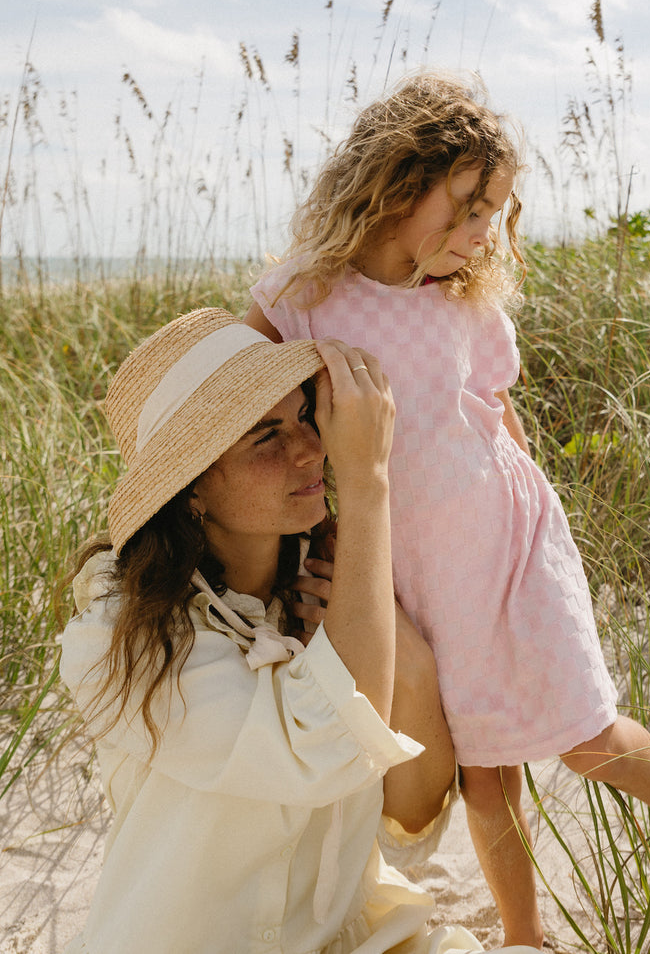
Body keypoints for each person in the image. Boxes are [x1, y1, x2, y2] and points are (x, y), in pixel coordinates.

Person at [244, 71, 650, 947]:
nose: (487, 234)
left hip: (505, 545)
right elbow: (243, 402)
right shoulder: (305, 295)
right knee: (486, 778)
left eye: (496, 214)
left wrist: (542, 540)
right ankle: (524, 937)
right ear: (397, 186)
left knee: (583, 737)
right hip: (405, 571)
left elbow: (496, 414)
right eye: (471, 208)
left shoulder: (463, 300)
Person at [59, 307, 518, 954]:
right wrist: (366, 481)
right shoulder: (118, 638)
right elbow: (325, 749)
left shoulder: (332, 588)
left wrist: (407, 660)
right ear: (191, 490)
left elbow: (409, 819)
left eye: (305, 416)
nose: (310, 450)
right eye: (264, 436)